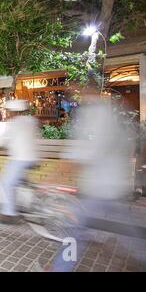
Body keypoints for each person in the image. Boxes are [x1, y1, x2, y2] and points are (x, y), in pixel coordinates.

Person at [45, 81, 142, 272]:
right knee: (128, 231)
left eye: (78, 91)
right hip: (113, 183)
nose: (75, 96)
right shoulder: (111, 112)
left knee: (75, 227)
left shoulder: (95, 115)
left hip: (100, 186)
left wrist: (55, 176)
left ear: (88, 91)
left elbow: (87, 152)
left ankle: (61, 269)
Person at [0, 100, 39, 224]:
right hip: (32, 157)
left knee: (6, 183)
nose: (8, 113)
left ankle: (9, 213)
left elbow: (1, 140)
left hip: (20, 159)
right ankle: (23, 204)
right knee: (18, 181)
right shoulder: (31, 121)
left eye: (9, 111)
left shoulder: (15, 124)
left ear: (13, 112)